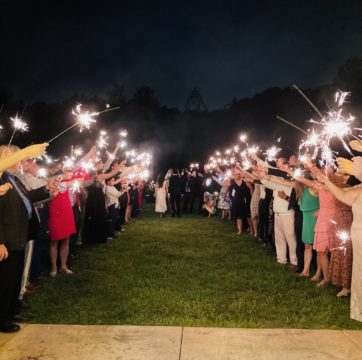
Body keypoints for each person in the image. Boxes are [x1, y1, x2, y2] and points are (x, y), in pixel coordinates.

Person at [0, 145, 57, 333]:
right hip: (6, 239)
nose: (18, 160)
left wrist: (47, 188)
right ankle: (2, 320)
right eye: (14, 156)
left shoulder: (14, 179)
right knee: (5, 281)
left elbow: (28, 198)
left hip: (18, 236)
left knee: (15, 279)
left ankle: (10, 312)